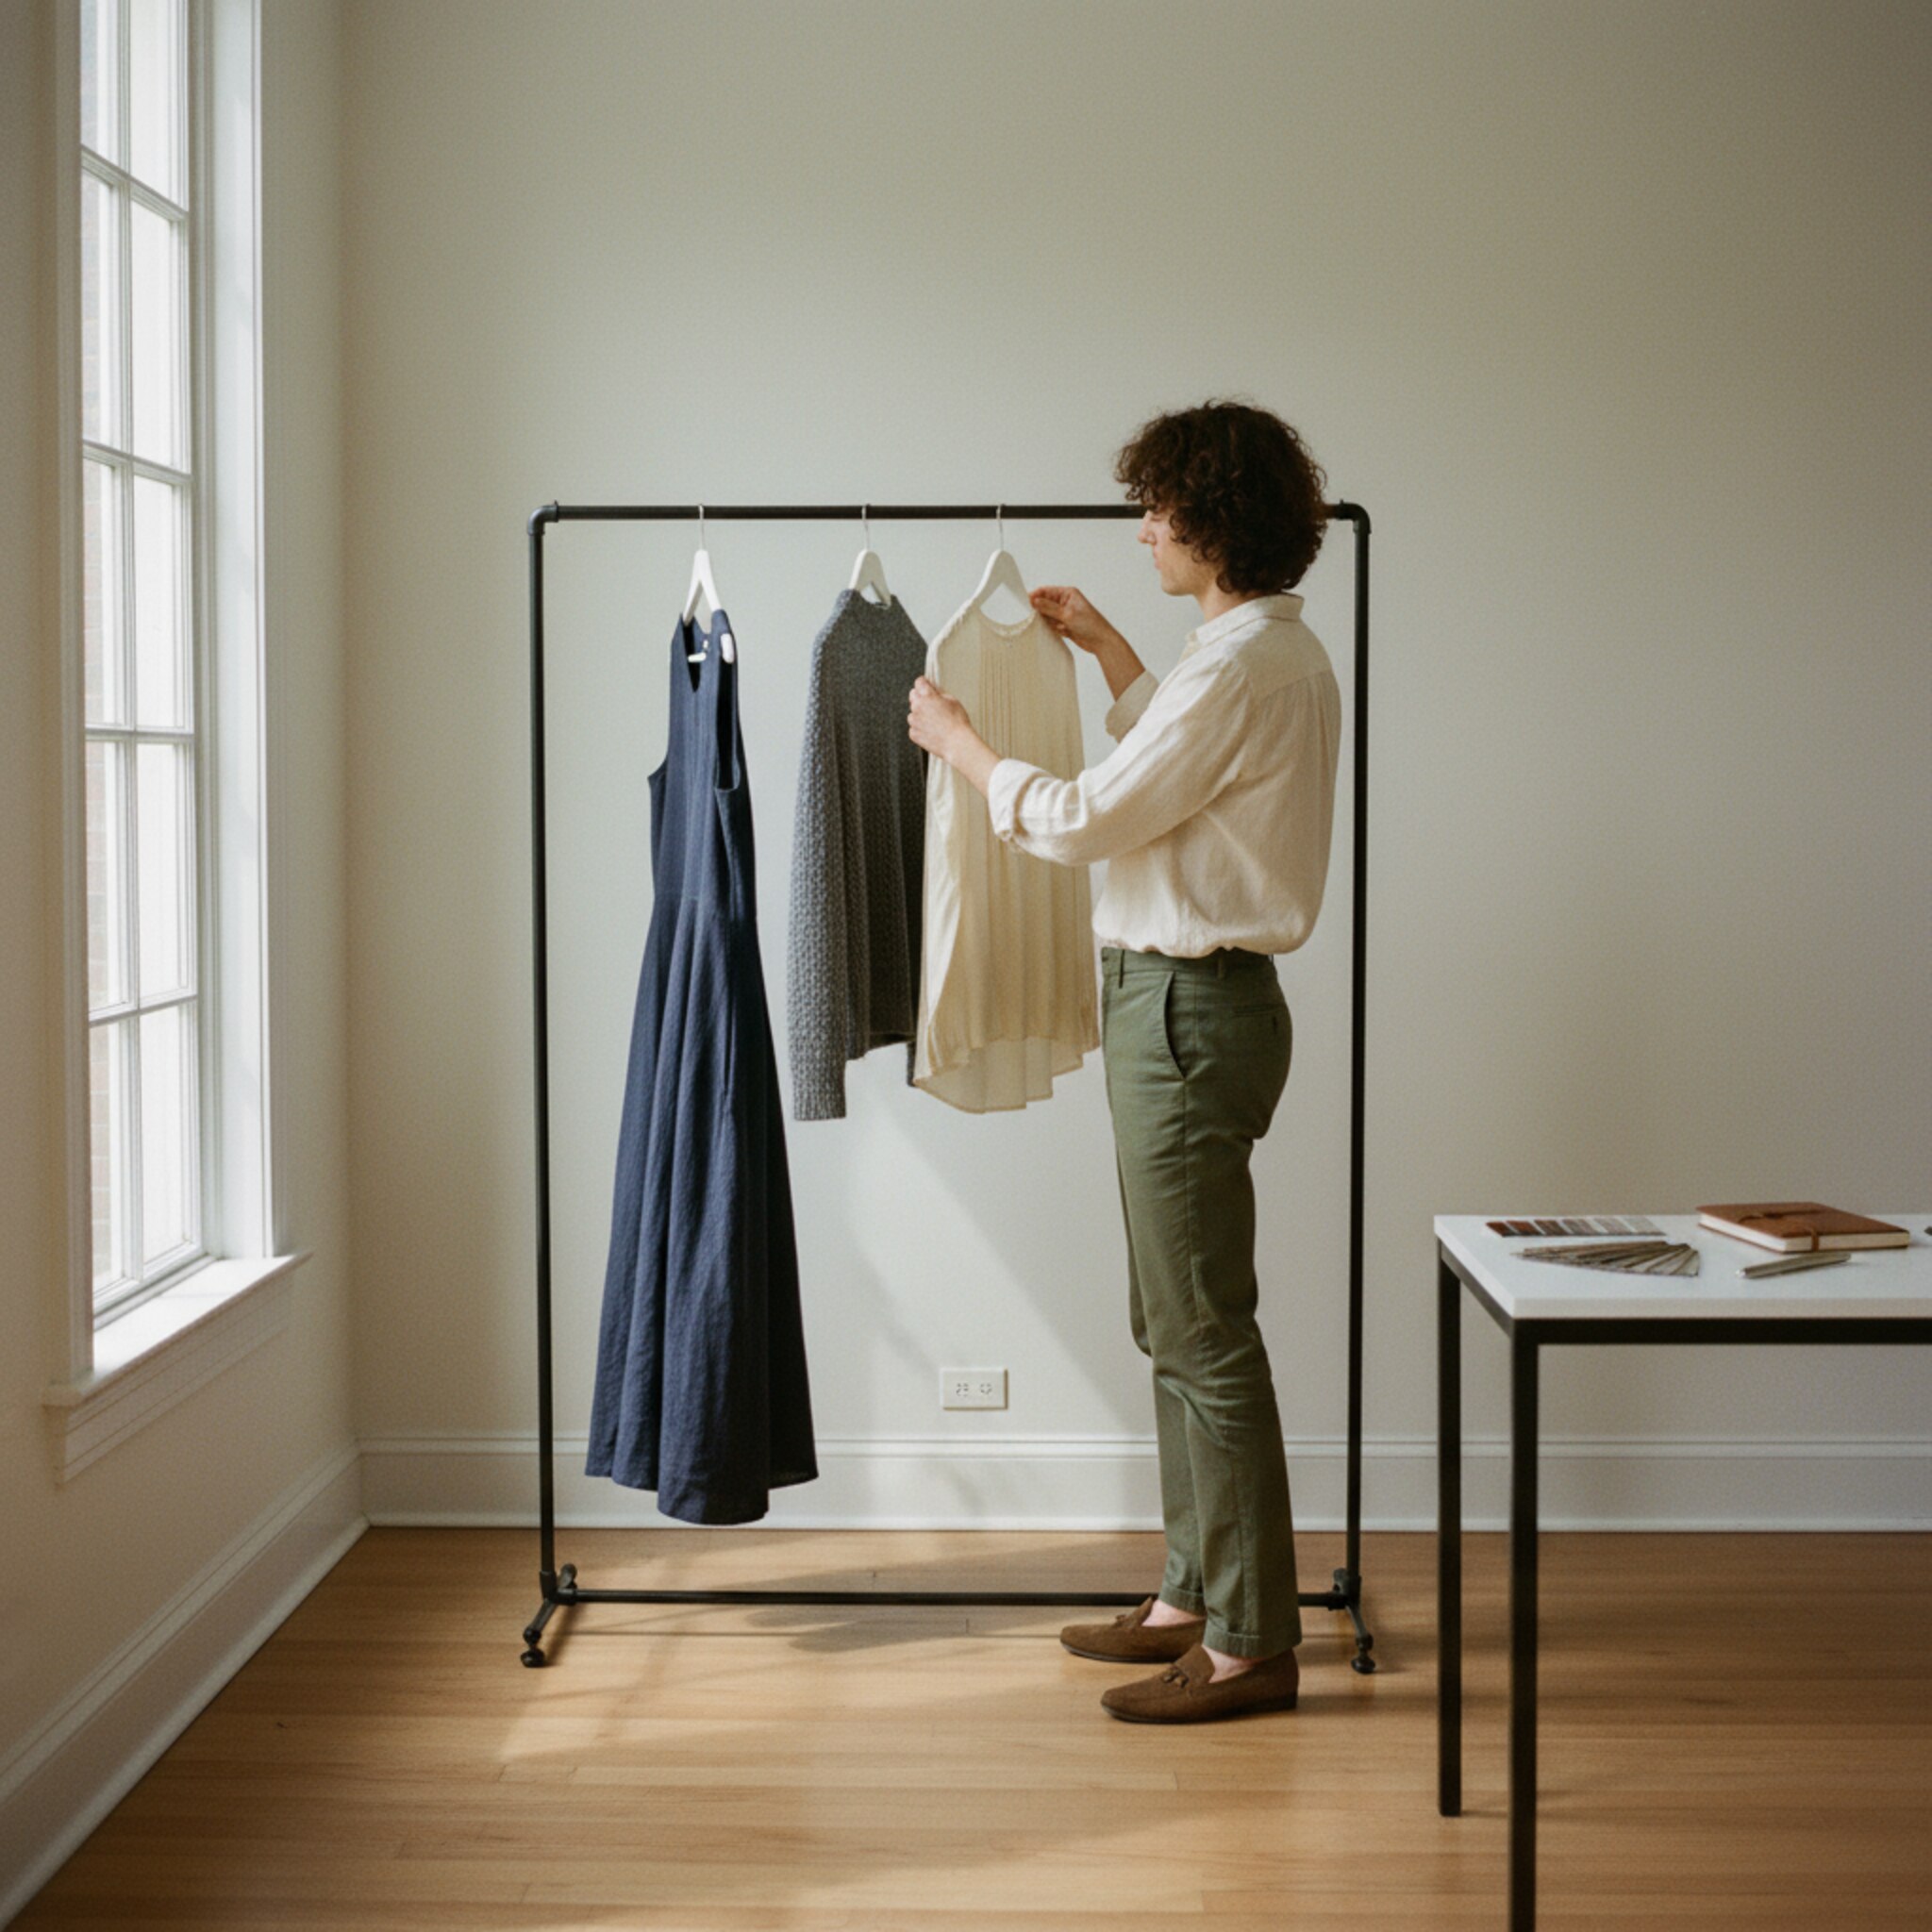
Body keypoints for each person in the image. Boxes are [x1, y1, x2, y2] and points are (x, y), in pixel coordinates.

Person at [906, 398, 1342, 1723]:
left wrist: (967, 750)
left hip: (1186, 1011)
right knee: (1173, 1319)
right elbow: (1181, 772)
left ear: (1213, 524)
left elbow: (1097, 815)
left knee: (1203, 1330)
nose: (1145, 529)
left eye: (1161, 508)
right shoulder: (1257, 658)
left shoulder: (1240, 669)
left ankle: (1254, 1641)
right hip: (1192, 1005)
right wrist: (1109, 656)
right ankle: (1188, 1598)